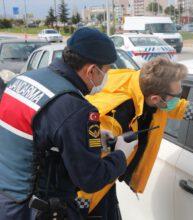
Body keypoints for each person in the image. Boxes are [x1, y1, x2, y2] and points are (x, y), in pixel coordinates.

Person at [77, 57, 193, 219]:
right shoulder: (113, 118)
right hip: (88, 192)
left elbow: (177, 107)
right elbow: (87, 172)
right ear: (156, 99)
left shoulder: (141, 85)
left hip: (107, 182)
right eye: (176, 94)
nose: (179, 98)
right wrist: (80, 209)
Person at [0, 27, 135, 219]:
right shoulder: (76, 109)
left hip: (7, 199)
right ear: (91, 70)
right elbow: (90, 178)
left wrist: (93, 139)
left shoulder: (22, 80)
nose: (106, 77)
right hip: (38, 210)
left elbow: (38, 136)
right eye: (106, 71)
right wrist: (121, 156)